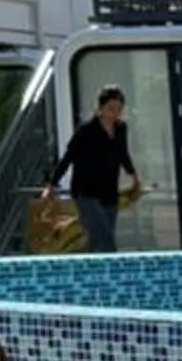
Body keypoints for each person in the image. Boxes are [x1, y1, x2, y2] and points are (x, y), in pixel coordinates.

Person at [49, 86, 143, 250]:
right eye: (111, 108)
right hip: (86, 192)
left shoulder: (121, 129)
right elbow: (68, 157)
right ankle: (113, 272)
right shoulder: (87, 131)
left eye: (119, 109)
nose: (115, 113)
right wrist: (52, 184)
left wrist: (134, 176)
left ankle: (90, 271)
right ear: (101, 108)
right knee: (105, 238)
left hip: (109, 190)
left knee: (100, 239)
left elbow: (123, 154)